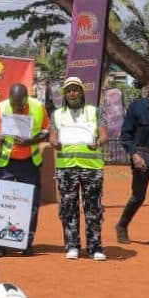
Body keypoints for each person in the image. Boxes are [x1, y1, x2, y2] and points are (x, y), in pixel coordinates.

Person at [0, 83, 49, 256]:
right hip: (6, 164)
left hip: (30, 163)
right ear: (9, 98)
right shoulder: (1, 108)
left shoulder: (38, 107)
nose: (17, 107)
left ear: (26, 98)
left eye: (20, 104)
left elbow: (46, 132)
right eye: (14, 104)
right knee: (2, 204)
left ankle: (26, 243)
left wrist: (30, 141)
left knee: (31, 205)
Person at [50, 77, 108, 261]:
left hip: (91, 167)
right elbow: (52, 136)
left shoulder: (94, 111)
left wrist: (98, 142)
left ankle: (95, 247)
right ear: (64, 94)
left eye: (75, 90)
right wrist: (55, 143)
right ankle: (72, 245)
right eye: (68, 91)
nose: (72, 93)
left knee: (93, 207)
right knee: (68, 207)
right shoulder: (57, 114)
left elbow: (104, 134)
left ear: (82, 92)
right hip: (66, 167)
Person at [115, 75, 149, 244]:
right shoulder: (136, 108)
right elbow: (125, 136)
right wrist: (134, 154)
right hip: (142, 157)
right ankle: (122, 226)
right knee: (138, 196)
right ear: (147, 88)